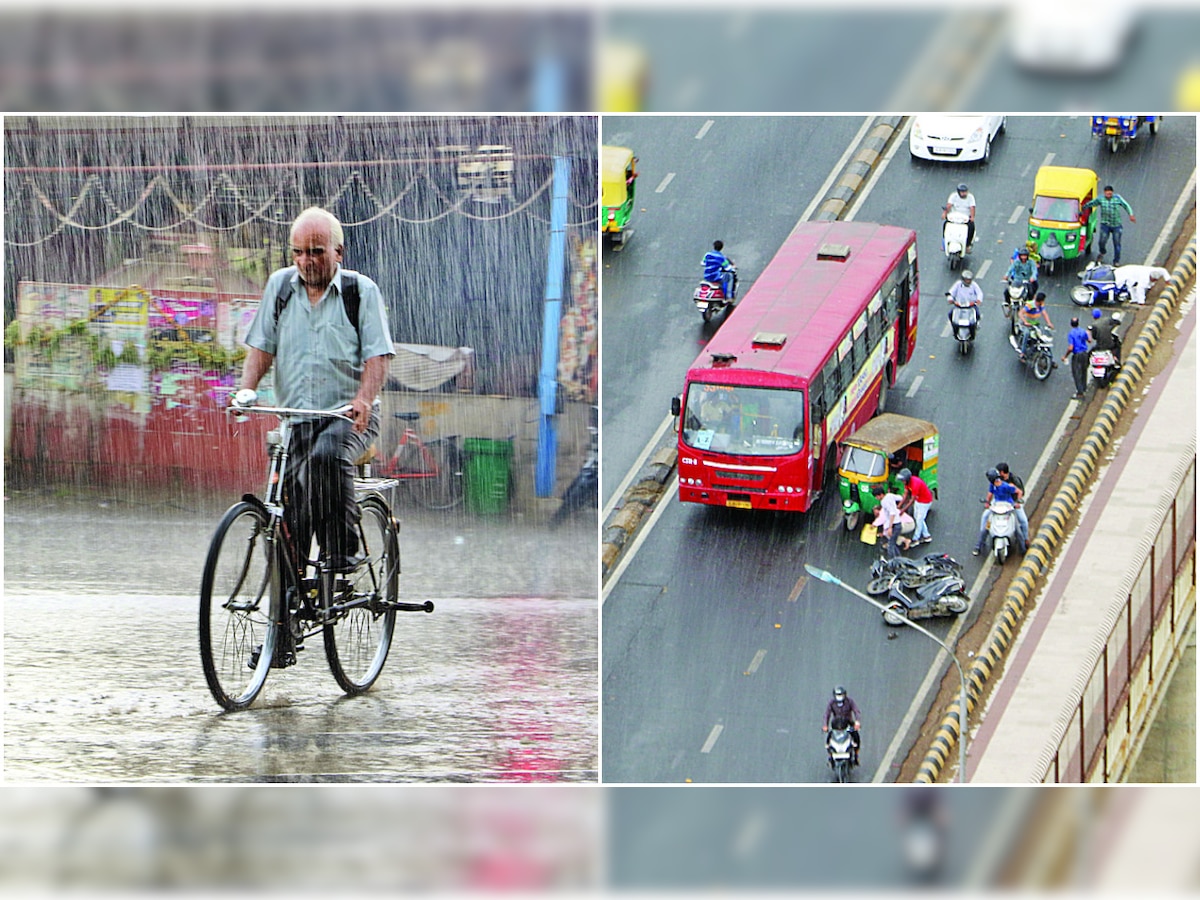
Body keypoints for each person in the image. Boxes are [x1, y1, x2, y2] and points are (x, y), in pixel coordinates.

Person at [236, 207, 395, 574]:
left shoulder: (360, 291)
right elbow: (262, 347)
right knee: (291, 508)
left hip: (348, 415)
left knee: (326, 458)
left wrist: (363, 399)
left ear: (338, 252)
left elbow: (378, 356)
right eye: (298, 252)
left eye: (316, 251)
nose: (306, 261)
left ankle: (342, 552)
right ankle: (288, 600)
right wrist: (246, 391)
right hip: (296, 419)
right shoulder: (280, 287)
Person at [975, 470, 1025, 556]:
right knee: (986, 527)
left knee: (1017, 530)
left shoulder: (1006, 486)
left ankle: (1022, 548)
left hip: (1008, 508)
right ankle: (979, 545)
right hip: (996, 507)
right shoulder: (992, 485)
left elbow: (1019, 492)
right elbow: (990, 494)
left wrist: (1017, 503)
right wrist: (987, 502)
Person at [1083, 185, 1136, 265]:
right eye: (1107, 194)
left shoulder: (1117, 198)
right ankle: (1102, 252)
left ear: (1112, 193)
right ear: (1104, 193)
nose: (1109, 195)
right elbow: (1091, 203)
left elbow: (1126, 205)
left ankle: (1116, 260)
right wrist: (1082, 208)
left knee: (1117, 243)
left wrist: (1131, 214)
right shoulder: (1100, 199)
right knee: (1102, 242)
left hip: (1116, 225)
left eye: (1110, 194)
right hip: (1105, 225)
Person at [823, 685, 862, 766]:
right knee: (829, 740)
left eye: (841, 695)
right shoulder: (831, 703)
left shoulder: (850, 701)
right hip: (836, 724)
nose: (839, 697)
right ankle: (831, 757)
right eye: (837, 695)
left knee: (856, 737)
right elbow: (827, 714)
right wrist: (825, 725)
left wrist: (857, 722)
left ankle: (856, 756)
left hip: (848, 723)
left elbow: (856, 711)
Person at [994, 462, 1029, 548]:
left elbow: (1021, 492)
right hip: (1001, 503)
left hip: (1013, 503)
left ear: (1002, 472)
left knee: (1023, 521)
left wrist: (1017, 502)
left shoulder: (1015, 479)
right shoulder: (998, 480)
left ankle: (1025, 539)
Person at [897, 467, 934, 546]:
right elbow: (905, 495)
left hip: (924, 502)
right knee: (918, 518)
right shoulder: (907, 483)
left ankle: (915, 539)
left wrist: (902, 510)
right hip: (918, 500)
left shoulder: (915, 484)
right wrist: (898, 506)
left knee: (919, 520)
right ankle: (926, 536)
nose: (902, 482)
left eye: (903, 480)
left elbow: (911, 501)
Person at [946, 269, 983, 339]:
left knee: (977, 314)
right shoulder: (958, 284)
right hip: (959, 306)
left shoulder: (974, 285)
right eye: (966, 280)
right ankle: (954, 328)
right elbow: (950, 292)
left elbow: (979, 293)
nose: (968, 281)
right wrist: (950, 299)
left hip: (971, 306)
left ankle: (976, 325)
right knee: (950, 314)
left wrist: (978, 300)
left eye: (969, 280)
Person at [1017, 291, 1054, 360]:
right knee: (1026, 334)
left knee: (1043, 335)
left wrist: (1049, 323)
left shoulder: (1041, 305)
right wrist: (1025, 322)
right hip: (1027, 325)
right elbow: (1020, 313)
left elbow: (1044, 314)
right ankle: (1022, 353)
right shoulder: (1030, 305)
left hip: (1036, 324)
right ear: (1040, 301)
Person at [872, 482, 905, 559]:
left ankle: (893, 563)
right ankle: (899, 560)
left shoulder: (884, 502)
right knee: (892, 544)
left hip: (894, 525)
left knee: (890, 546)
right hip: (898, 523)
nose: (876, 498)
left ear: (880, 495)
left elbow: (892, 513)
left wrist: (890, 528)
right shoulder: (889, 495)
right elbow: (900, 497)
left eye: (876, 496)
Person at [1062, 315, 1091, 399]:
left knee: (1077, 373)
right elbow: (1089, 340)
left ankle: (1080, 392)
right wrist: (1088, 334)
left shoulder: (1071, 334)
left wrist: (1065, 356)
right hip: (1084, 354)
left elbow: (1071, 347)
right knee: (1083, 371)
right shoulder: (1083, 331)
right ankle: (1084, 388)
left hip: (1077, 355)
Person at [943, 183, 976, 250]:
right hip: (954, 217)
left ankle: (967, 245)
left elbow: (972, 208)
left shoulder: (970, 197)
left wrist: (972, 217)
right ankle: (944, 243)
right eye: (962, 192)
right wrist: (945, 213)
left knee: (971, 227)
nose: (964, 193)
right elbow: (949, 205)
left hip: (965, 218)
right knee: (945, 225)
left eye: (965, 192)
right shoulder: (953, 196)